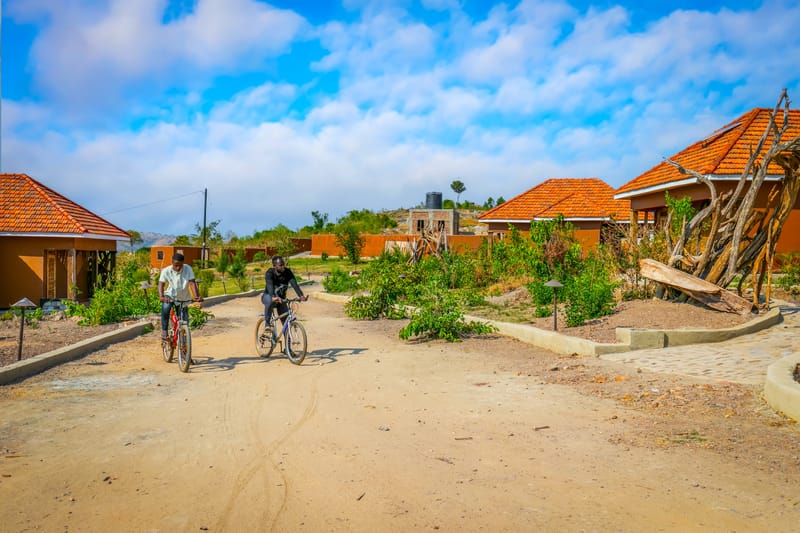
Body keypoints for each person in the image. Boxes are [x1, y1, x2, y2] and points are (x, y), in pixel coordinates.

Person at [158, 252, 203, 340]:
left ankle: (184, 345)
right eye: (176, 265)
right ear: (172, 263)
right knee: (166, 308)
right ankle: (164, 331)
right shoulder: (166, 270)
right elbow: (161, 284)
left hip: (184, 298)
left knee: (185, 320)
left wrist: (196, 296)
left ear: (183, 263)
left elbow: (192, 283)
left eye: (180, 265)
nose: (178, 268)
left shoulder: (188, 269)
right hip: (170, 296)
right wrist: (161, 296)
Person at [262, 255, 308, 326]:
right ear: (274, 266)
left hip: (281, 299)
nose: (283, 266)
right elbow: (269, 285)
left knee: (286, 321)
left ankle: (288, 336)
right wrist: (273, 296)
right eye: (280, 265)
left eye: (283, 264)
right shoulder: (270, 273)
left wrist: (301, 296)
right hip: (268, 296)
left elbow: (294, 284)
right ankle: (267, 325)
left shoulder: (287, 272)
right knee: (270, 301)